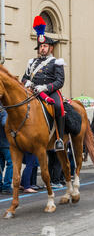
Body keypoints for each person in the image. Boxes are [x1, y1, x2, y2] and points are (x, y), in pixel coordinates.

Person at [22, 15, 67, 151]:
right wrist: (27, 83)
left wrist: (46, 87)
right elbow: (24, 77)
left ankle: (59, 138)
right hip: (33, 91)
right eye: (41, 46)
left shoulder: (56, 62)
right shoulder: (32, 62)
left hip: (50, 92)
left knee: (59, 106)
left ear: (51, 48)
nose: (42, 48)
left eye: (45, 46)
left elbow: (60, 81)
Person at [0, 108, 13, 194]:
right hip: (6, 144)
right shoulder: (5, 112)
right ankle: (7, 187)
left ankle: (0, 186)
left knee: (0, 166)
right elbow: (4, 123)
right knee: (10, 164)